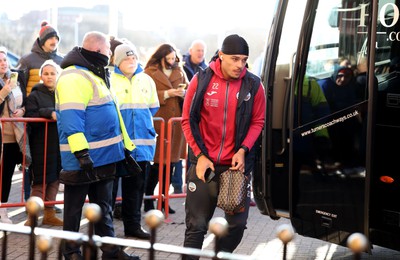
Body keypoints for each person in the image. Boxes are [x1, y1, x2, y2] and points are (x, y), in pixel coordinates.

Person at [55, 31, 139, 260]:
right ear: (100, 50)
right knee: (73, 211)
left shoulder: (96, 73)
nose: (111, 55)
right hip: (84, 159)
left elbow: (111, 115)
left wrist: (125, 148)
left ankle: (111, 252)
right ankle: (71, 253)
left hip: (105, 155)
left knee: (104, 209)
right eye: (110, 51)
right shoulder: (74, 76)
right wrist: (81, 153)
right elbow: (72, 118)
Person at [181, 34, 266, 258]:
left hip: (235, 168)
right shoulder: (201, 80)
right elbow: (188, 120)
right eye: (235, 59)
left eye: (244, 60)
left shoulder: (254, 84)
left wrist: (243, 149)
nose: (240, 65)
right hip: (203, 166)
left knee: (237, 226)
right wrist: (199, 155)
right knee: (196, 227)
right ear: (221, 56)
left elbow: (258, 121)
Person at [111, 43, 159, 239]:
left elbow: (153, 107)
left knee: (136, 189)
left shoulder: (146, 80)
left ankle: (133, 227)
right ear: (117, 61)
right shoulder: (109, 79)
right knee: (110, 191)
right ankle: (106, 229)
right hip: (116, 145)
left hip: (141, 146)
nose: (131, 61)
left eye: (133, 58)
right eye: (126, 58)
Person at [144, 43, 188, 214]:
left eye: (173, 58)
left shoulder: (180, 71)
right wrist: (168, 94)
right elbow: (146, 94)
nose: (171, 61)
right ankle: (148, 199)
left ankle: (164, 200)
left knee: (170, 166)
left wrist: (183, 93)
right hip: (159, 123)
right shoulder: (149, 73)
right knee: (157, 166)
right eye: (168, 58)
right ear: (161, 57)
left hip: (175, 125)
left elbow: (189, 88)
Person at [24, 59, 63, 226]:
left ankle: (49, 214)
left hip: (58, 143)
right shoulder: (34, 95)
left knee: (54, 180)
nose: (49, 76)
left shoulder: (62, 94)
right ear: (41, 76)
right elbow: (30, 116)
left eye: (52, 73)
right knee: (39, 181)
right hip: (41, 143)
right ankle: (32, 217)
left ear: (58, 75)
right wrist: (49, 112)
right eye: (46, 74)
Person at [0, 46, 30, 224]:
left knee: (7, 174)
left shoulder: (17, 78)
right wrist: (5, 90)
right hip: (0, 134)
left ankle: (3, 210)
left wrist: (23, 110)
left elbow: (24, 101)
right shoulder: (9, 84)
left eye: (4, 60)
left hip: (14, 135)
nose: (3, 63)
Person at [17, 21, 63, 96]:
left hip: (57, 106)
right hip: (32, 106)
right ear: (42, 41)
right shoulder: (27, 60)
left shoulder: (63, 60)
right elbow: (18, 86)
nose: (54, 41)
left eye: (56, 38)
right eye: (51, 38)